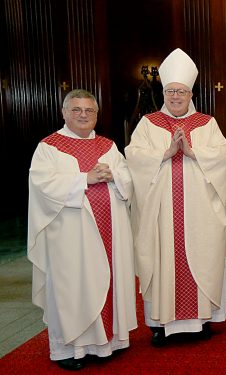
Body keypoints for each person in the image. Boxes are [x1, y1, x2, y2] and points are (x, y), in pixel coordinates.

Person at [125, 48, 226, 346]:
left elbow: (224, 154)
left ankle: (203, 319)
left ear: (190, 94)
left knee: (203, 258)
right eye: (171, 91)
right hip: (161, 215)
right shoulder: (148, 123)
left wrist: (192, 152)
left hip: (200, 213)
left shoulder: (206, 123)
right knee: (162, 260)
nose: (176, 97)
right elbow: (132, 156)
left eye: (181, 92)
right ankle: (160, 324)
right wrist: (165, 154)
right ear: (164, 92)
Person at [28, 89, 137, 370]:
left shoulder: (108, 145)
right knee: (72, 287)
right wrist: (83, 179)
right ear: (64, 113)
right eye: (76, 110)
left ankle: (108, 343)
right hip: (69, 235)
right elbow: (42, 185)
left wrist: (114, 176)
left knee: (109, 280)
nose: (83, 115)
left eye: (89, 110)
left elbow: (127, 178)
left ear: (97, 115)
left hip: (110, 231)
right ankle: (68, 349)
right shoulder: (49, 147)